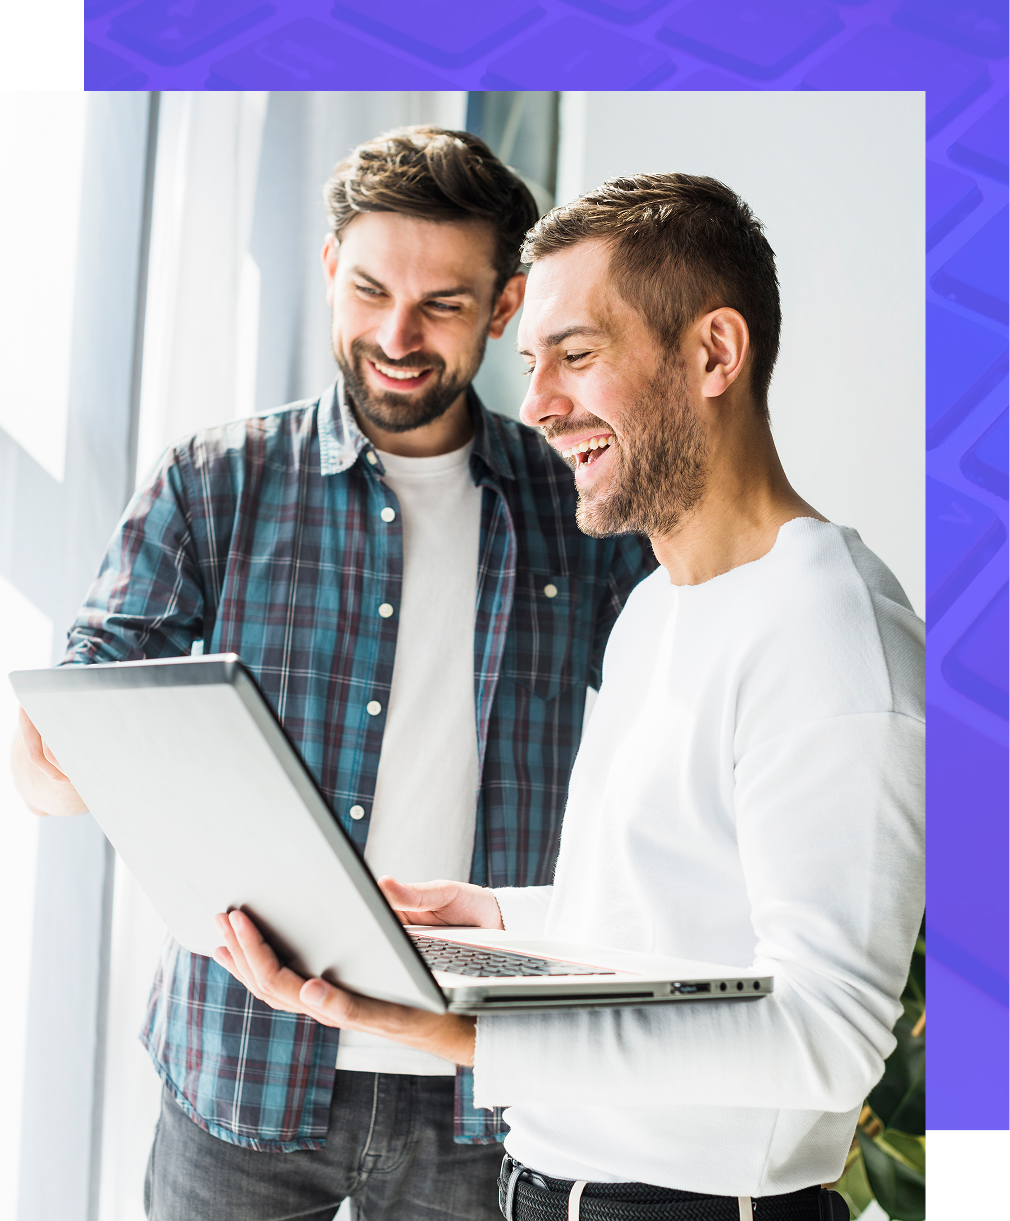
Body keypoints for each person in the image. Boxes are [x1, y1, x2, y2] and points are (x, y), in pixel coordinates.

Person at [210, 173, 925, 1221]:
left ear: (712, 354)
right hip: (548, 1190)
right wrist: (497, 916)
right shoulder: (654, 610)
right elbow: (681, 910)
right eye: (531, 359)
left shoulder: (829, 636)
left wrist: (470, 1036)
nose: (537, 403)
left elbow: (821, 1041)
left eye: (577, 355)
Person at [10, 129, 656, 1221]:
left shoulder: (574, 504)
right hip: (243, 1071)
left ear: (503, 309)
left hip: (480, 1094)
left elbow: (678, 719)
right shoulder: (213, 482)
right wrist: (67, 758)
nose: (395, 336)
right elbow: (50, 763)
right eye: (367, 290)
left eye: (443, 305)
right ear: (326, 270)